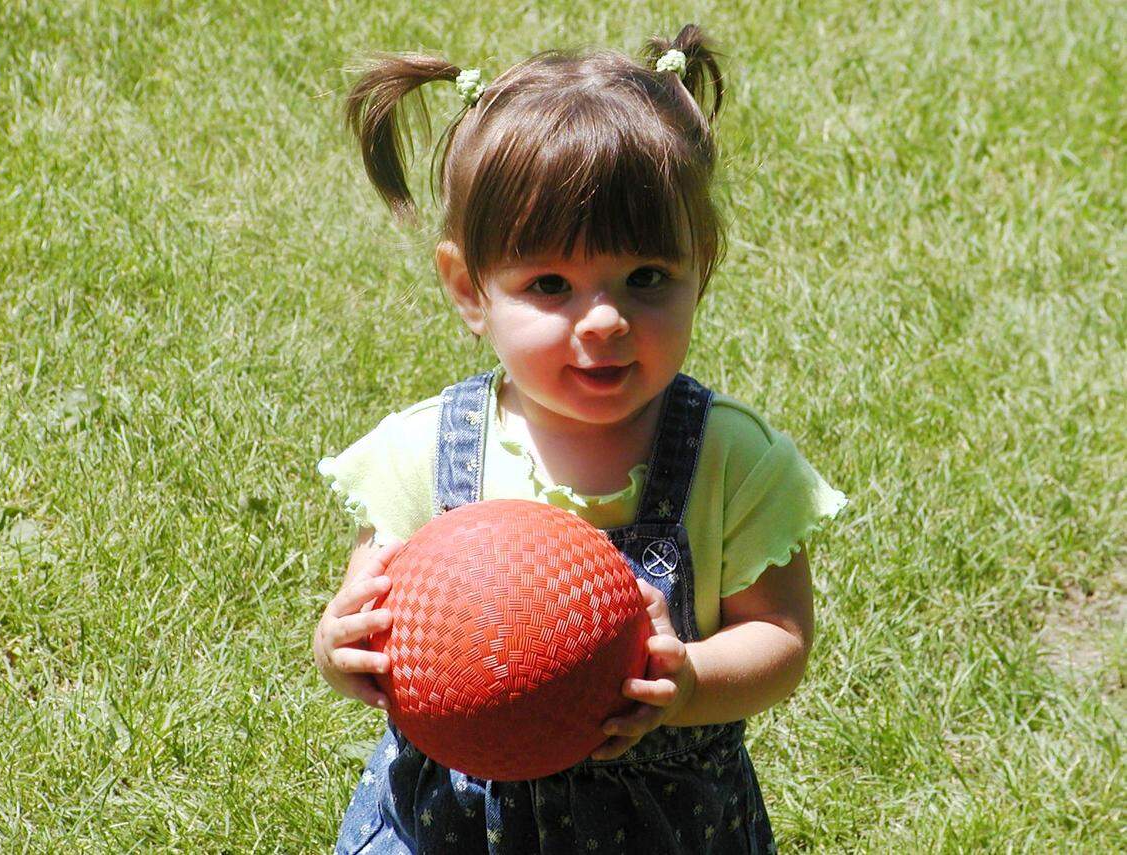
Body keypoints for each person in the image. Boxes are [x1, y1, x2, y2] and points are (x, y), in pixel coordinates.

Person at [313, 23, 847, 854]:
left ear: (699, 263)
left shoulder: (730, 459)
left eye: (646, 278)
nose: (604, 320)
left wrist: (691, 678)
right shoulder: (426, 452)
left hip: (663, 822)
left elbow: (780, 638)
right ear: (470, 288)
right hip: (455, 819)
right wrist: (340, 647)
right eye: (551, 285)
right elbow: (371, 614)